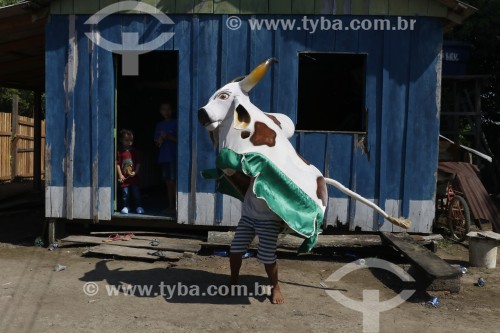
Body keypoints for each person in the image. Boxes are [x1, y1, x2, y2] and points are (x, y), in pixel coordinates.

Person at [229, 178, 285, 304]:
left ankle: (275, 287)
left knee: (267, 256)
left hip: (270, 218)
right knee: (235, 250)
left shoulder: (279, 169)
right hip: (249, 215)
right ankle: (233, 282)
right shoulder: (253, 163)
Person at [154, 102, 177, 214]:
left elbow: (181, 140)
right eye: (164, 109)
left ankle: (176, 207)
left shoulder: (176, 123)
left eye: (168, 109)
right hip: (164, 158)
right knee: (168, 183)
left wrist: (168, 136)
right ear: (160, 112)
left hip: (173, 158)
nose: (166, 112)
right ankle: (170, 206)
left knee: (174, 182)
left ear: (172, 110)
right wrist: (160, 140)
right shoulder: (159, 125)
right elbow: (157, 143)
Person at [116, 129, 144, 214]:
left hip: (133, 178)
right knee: (125, 194)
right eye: (126, 140)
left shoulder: (135, 151)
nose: (129, 142)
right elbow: (117, 164)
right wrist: (120, 175)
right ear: (121, 140)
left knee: (136, 194)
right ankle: (126, 207)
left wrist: (135, 172)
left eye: (131, 140)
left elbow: (139, 163)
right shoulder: (119, 152)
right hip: (125, 178)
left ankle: (138, 206)